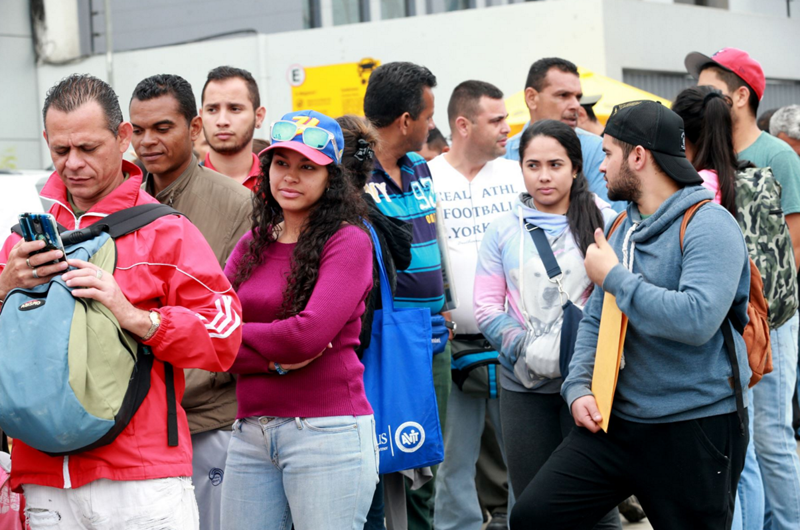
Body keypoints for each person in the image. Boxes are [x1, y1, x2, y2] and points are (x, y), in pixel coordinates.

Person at [0, 74, 242, 529]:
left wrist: (136, 317)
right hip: (45, 480)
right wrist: (4, 288)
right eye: (60, 150)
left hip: (140, 479)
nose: (72, 164)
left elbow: (224, 336)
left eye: (88, 149)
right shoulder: (21, 240)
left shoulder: (166, 230)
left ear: (123, 137)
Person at [510, 100, 750, 529]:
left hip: (694, 426)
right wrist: (579, 385)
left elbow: (696, 320)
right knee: (533, 517)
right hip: (616, 424)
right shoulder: (623, 226)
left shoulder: (710, 225)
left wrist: (616, 278)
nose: (600, 167)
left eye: (607, 153)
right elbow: (597, 318)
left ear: (638, 156)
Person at [220, 110, 378, 530]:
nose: (290, 176)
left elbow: (306, 336)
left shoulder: (348, 241)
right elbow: (211, 332)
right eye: (281, 163)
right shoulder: (252, 243)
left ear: (332, 178)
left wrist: (241, 340)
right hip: (250, 431)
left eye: (307, 166)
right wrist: (273, 358)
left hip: (325, 433)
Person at [474, 119, 619, 530]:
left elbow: (621, 297)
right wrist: (525, 346)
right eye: (532, 165)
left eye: (555, 164)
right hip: (524, 386)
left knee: (596, 504)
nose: (543, 175)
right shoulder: (503, 230)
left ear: (575, 167)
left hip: (591, 384)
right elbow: (485, 306)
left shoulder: (606, 221)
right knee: (534, 504)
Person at [129, 73, 253, 530]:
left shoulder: (238, 204)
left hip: (206, 417)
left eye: (162, 128)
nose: (148, 141)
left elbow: (237, 316)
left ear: (194, 128)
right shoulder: (121, 203)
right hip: (133, 423)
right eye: (138, 130)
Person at [686, 48, 800, 530]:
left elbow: (793, 241)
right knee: (745, 440)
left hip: (770, 318)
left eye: (712, 87)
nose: (702, 96)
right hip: (727, 321)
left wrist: (767, 315)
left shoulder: (776, 155)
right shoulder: (707, 158)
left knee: (772, 436)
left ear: (740, 95)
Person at [428, 80, 522, 530]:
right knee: (452, 463)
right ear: (462, 125)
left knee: (526, 458)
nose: (508, 128)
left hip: (516, 345)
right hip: (451, 348)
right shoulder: (427, 179)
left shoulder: (518, 175)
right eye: (497, 120)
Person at [363, 61, 449, 530]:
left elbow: (434, 244)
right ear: (405, 121)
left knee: (426, 468)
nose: (432, 125)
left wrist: (447, 312)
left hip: (433, 341)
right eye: (429, 115)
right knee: (382, 462)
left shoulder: (420, 167)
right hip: (383, 344)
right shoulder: (353, 173)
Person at [337, 114, 414, 530]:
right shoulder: (371, 224)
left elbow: (356, 330)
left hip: (344, 402)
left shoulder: (347, 233)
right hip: (372, 401)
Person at [504, 57, 623, 212]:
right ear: (531, 98)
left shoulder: (598, 150)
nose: (575, 105)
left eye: (577, 97)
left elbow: (612, 222)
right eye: (563, 95)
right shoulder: (503, 155)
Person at [200, 66, 266, 190]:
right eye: (212, 110)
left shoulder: (278, 187)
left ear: (259, 116)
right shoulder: (180, 188)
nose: (222, 121)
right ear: (201, 116)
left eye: (235, 109)